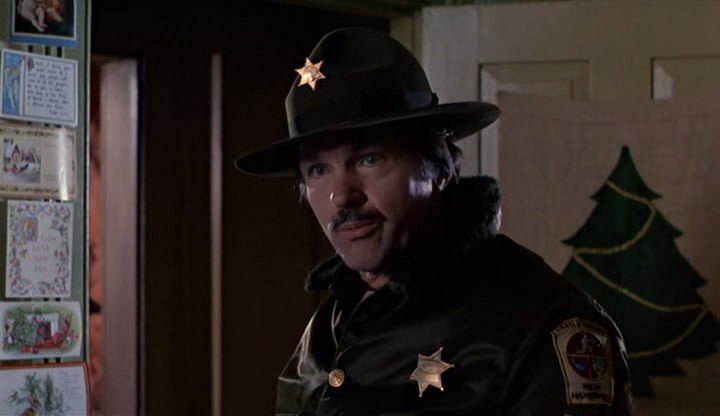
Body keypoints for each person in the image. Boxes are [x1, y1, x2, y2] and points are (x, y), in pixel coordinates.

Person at [234, 28, 632, 416]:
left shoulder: (539, 324)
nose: (341, 196)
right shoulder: (330, 324)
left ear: (438, 168)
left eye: (370, 159)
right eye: (318, 170)